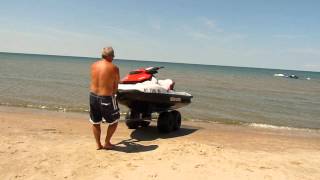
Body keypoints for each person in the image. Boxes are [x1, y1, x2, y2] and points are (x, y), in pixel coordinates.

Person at [89, 47, 120, 150]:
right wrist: (115, 96)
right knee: (114, 121)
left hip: (93, 96)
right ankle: (107, 142)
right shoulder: (114, 68)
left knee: (95, 121)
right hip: (106, 98)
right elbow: (115, 86)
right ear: (110, 56)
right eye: (113, 56)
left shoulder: (93, 65)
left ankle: (98, 144)